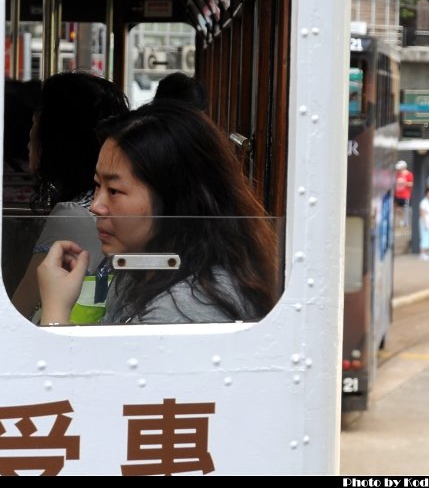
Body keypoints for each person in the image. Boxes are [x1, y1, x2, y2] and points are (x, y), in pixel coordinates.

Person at [37, 99, 278, 325]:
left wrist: (55, 308)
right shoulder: (142, 269)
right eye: (97, 185)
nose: (95, 206)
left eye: (114, 190)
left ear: (174, 199)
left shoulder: (186, 309)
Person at [9, 72, 129, 321]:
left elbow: (21, 309)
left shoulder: (72, 216)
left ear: (54, 137)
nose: (29, 135)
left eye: (37, 121)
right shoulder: (102, 203)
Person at [418, 188, 429, 261]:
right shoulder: (424, 202)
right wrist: (425, 223)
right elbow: (422, 213)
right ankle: (422, 253)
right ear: (427, 194)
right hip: (425, 221)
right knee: (424, 237)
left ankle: (426, 252)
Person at [394, 160, 413, 227]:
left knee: (405, 209)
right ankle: (399, 221)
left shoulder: (409, 174)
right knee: (398, 209)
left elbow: (411, 184)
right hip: (397, 195)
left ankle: (405, 223)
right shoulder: (397, 174)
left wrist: (404, 183)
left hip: (405, 195)